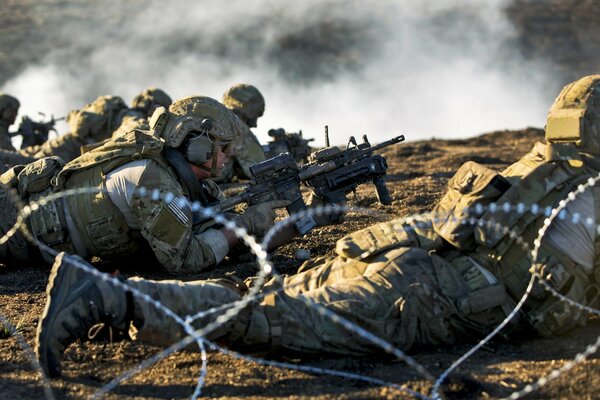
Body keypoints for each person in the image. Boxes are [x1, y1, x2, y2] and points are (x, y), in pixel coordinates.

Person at [35, 75, 600, 378]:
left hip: (402, 260)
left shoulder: (538, 165)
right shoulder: (585, 188)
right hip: (430, 296)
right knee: (269, 319)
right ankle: (109, 298)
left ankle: (131, 304)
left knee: (262, 298)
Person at [0, 95, 286, 274]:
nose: (230, 155)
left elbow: (218, 238)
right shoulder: (154, 180)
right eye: (223, 146)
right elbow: (185, 261)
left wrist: (295, 221)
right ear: (197, 145)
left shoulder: (185, 181)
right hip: (10, 223)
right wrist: (244, 224)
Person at [215, 84, 267, 182]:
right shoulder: (236, 125)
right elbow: (260, 171)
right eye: (257, 114)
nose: (255, 124)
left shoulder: (220, 118)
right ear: (250, 108)